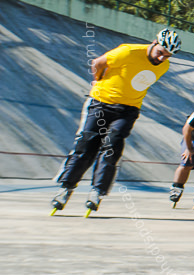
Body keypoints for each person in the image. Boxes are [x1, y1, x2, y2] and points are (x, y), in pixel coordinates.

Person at [52, 29, 182, 214]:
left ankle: (97, 190)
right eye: (161, 52)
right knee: (87, 145)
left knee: (112, 146)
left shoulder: (163, 66)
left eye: (167, 56)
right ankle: (65, 188)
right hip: (101, 104)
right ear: (154, 43)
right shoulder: (128, 51)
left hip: (128, 110)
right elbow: (98, 63)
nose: (162, 58)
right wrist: (97, 81)